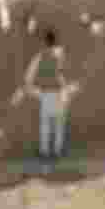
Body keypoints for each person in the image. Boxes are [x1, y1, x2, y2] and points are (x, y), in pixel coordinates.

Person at [24, 28, 71, 160]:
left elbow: (30, 75)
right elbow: (66, 72)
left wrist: (31, 89)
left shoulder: (41, 55)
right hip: (60, 91)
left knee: (46, 123)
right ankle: (57, 151)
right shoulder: (61, 54)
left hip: (47, 92)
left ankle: (45, 151)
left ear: (45, 41)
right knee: (59, 123)